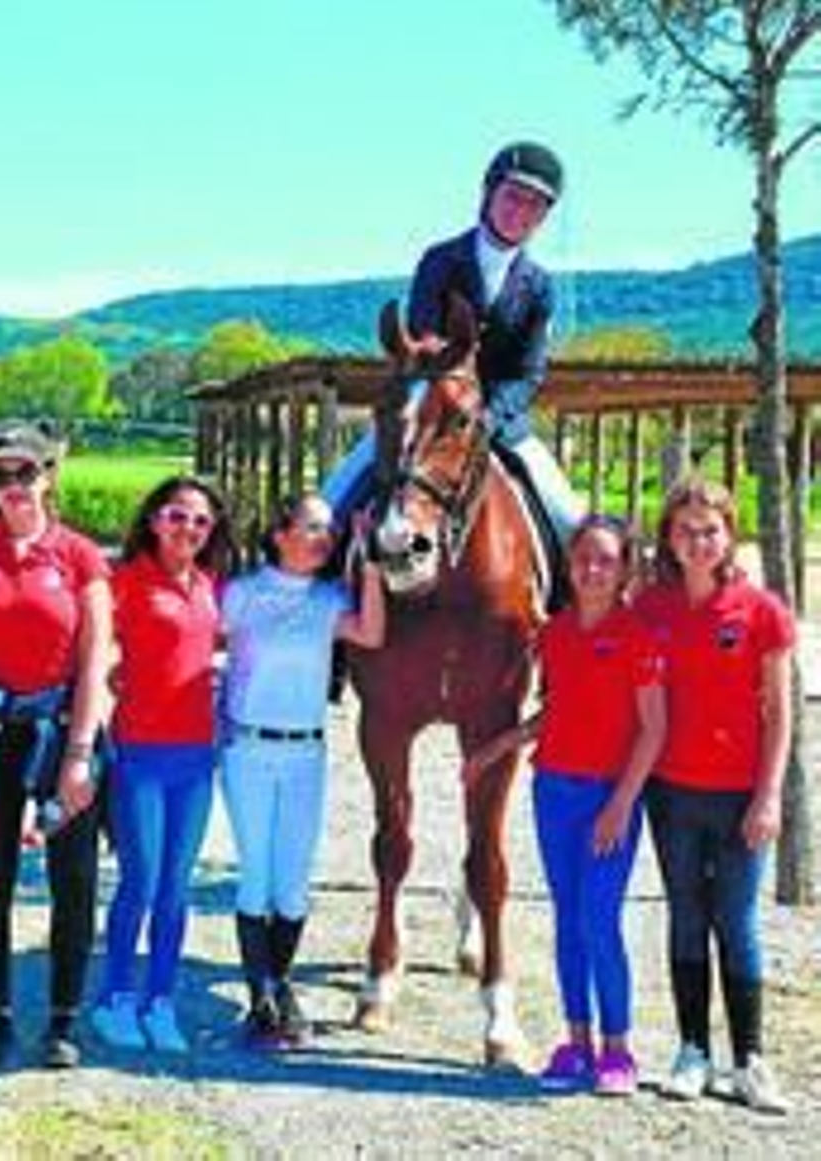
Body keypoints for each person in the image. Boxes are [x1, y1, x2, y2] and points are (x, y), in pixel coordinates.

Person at [465, 514, 666, 1097]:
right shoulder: (554, 633)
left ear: (625, 567)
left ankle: (618, 1050)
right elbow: (560, 709)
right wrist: (496, 748)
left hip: (610, 797)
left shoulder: (639, 636)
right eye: (582, 559)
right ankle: (575, 1043)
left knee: (601, 920)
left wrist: (621, 804)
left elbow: (653, 729)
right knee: (567, 921)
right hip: (553, 789)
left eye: (605, 559)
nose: (592, 570)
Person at [323, 141, 582, 544]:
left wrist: (487, 419)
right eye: (513, 196)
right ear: (488, 193)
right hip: (430, 412)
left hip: (499, 423)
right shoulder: (440, 260)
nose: (521, 211)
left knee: (572, 522)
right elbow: (425, 342)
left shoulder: (540, 287)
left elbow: (527, 373)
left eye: (536, 205)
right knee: (328, 504)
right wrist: (451, 407)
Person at [635, 478, 795, 1115]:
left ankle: (750, 1061)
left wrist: (769, 796)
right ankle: (692, 1051)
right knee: (686, 916)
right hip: (671, 794)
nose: (698, 542)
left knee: (737, 920)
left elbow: (781, 714)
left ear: (729, 535)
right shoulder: (650, 607)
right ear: (668, 538)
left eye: (710, 530)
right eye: (684, 531)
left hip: (739, 798)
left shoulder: (761, 612)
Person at [0, 420, 112, 1070]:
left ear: (48, 476)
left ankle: (63, 1017)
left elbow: (96, 656)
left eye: (26, 472)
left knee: (72, 880)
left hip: (61, 729)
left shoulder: (78, 555)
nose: (14, 486)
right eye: (1, 475)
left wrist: (80, 752)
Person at [220, 494, 384, 1050]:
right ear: (280, 533)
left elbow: (371, 634)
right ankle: (260, 998)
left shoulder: (328, 599)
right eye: (313, 528)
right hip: (248, 748)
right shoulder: (242, 595)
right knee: (257, 876)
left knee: (293, 883)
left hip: (305, 752)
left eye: (329, 531)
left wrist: (374, 562)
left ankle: (279, 982)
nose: (324, 538)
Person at [89, 476, 233, 1055]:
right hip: (140, 754)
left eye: (200, 521)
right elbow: (94, 651)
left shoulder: (210, 586)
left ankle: (161, 999)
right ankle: (116, 997)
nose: (189, 529)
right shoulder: (122, 583)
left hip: (197, 758)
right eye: (177, 516)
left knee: (177, 887)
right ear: (153, 520)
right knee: (140, 882)